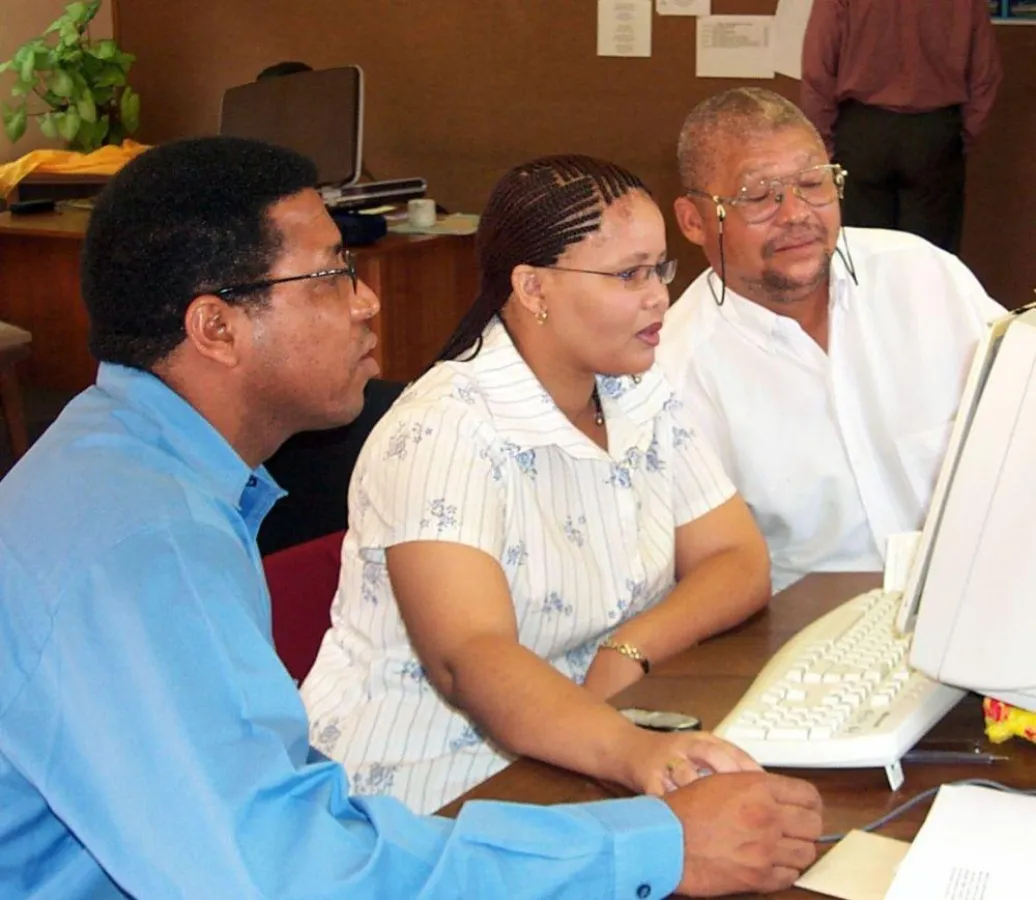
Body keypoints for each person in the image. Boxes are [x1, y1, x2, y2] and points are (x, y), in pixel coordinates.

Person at [0, 135, 823, 898]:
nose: (365, 303)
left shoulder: (128, 469)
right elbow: (280, 873)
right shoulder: (141, 544)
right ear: (215, 326)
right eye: (330, 274)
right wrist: (654, 847)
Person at [302, 154, 772, 815]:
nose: (659, 295)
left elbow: (739, 559)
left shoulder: (635, 387)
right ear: (532, 289)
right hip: (418, 788)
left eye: (660, 268)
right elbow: (471, 658)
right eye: (628, 274)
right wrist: (634, 751)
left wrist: (629, 650)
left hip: (579, 744)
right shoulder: (445, 429)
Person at [657, 87, 1006, 594]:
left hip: (979, 593)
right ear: (694, 221)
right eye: (758, 195)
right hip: (805, 630)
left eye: (813, 182)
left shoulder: (924, 276)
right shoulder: (677, 368)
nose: (796, 212)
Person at [800, 0, 1002, 254]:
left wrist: (823, 144)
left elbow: (818, 70)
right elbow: (985, 73)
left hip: (862, 132)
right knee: (931, 259)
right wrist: (963, 134)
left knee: (864, 259)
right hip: (934, 133)